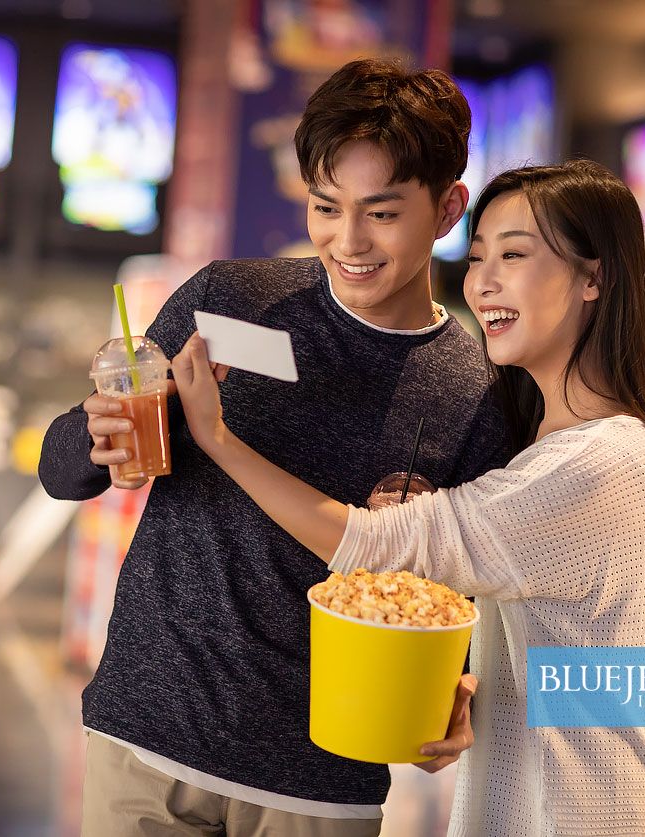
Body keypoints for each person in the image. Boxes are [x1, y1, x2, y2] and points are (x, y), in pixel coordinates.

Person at [38, 58, 507, 836]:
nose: (346, 240)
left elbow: (458, 584)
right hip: (147, 734)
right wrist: (97, 434)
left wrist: (457, 686)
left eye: (381, 214)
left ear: (449, 207)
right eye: (326, 206)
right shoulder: (229, 301)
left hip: (319, 777)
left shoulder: (472, 389)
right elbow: (63, 470)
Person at [171, 159, 645, 837]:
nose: (483, 282)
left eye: (514, 255)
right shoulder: (554, 445)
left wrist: (216, 437)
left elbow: (374, 544)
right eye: (477, 257)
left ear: (595, 277)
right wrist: (472, 688)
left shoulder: (600, 460)